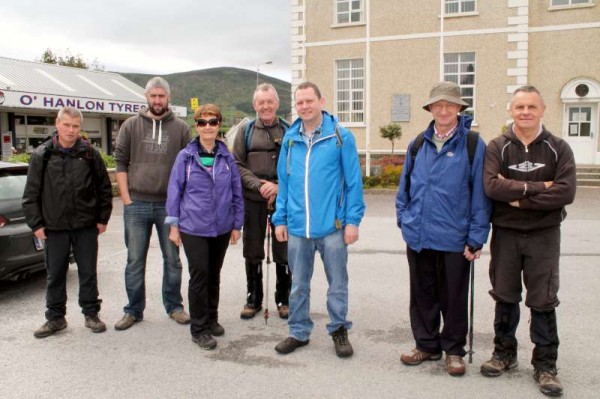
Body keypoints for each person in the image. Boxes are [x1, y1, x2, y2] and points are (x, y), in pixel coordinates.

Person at [480, 86, 576, 397]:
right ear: (511, 110)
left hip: (544, 235)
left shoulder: (559, 148)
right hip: (506, 233)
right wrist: (539, 187)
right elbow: (493, 187)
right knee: (505, 295)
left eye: (531, 107)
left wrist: (520, 198)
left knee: (543, 299)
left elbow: (565, 192)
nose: (525, 112)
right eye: (520, 106)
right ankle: (504, 354)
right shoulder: (497, 147)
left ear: (542, 110)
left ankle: (546, 365)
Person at [395, 81, 491, 376]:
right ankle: (426, 345)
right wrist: (405, 221)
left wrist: (476, 238)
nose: (444, 109)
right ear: (431, 109)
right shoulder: (417, 144)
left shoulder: (473, 145)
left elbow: (480, 197)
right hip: (420, 236)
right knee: (423, 295)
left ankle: (453, 350)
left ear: (459, 109)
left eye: (450, 104)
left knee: (453, 297)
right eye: (438, 105)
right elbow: (404, 191)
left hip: (454, 238)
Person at [272, 81, 365, 358]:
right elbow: (284, 184)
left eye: (308, 101)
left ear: (321, 101)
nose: (304, 106)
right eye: (299, 102)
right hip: (299, 228)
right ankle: (298, 332)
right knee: (299, 284)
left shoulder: (340, 136)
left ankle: (338, 329)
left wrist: (352, 221)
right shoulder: (290, 139)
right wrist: (280, 220)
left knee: (337, 283)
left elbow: (353, 183)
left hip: (333, 228)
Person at [23, 106, 113, 338]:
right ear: (57, 123)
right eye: (67, 125)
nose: (71, 130)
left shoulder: (89, 154)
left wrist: (102, 218)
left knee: (88, 272)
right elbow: (31, 193)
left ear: (80, 128)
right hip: (54, 228)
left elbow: (104, 188)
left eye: (75, 126)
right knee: (55, 274)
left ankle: (91, 314)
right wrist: (37, 225)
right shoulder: (42, 155)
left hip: (86, 226)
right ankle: (55, 318)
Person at [113, 77, 191, 330]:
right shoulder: (130, 126)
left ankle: (174, 306)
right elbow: (121, 163)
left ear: (169, 97)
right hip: (136, 204)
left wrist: (179, 205)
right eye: (153, 96)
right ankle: (133, 310)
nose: (157, 100)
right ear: (146, 97)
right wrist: (126, 199)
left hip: (168, 206)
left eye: (162, 96)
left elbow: (187, 169)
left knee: (173, 259)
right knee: (135, 260)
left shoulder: (181, 129)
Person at [166, 104, 244, 350]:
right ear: (196, 126)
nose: (207, 126)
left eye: (212, 122)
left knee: (214, 274)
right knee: (199, 275)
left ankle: (212, 318)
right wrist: (174, 225)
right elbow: (174, 192)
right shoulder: (185, 157)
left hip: (221, 227)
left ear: (219, 125)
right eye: (202, 122)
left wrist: (236, 224)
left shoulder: (227, 157)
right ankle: (198, 328)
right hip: (193, 227)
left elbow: (236, 192)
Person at [231, 83, 291, 320]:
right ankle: (253, 298)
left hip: (281, 198)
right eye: (261, 102)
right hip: (253, 199)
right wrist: (259, 185)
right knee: (253, 248)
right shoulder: (244, 131)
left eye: (269, 102)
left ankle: (283, 298)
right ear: (255, 105)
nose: (265, 106)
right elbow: (236, 164)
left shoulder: (289, 131)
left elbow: (294, 166)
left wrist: (278, 186)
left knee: (283, 248)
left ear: (277, 104)